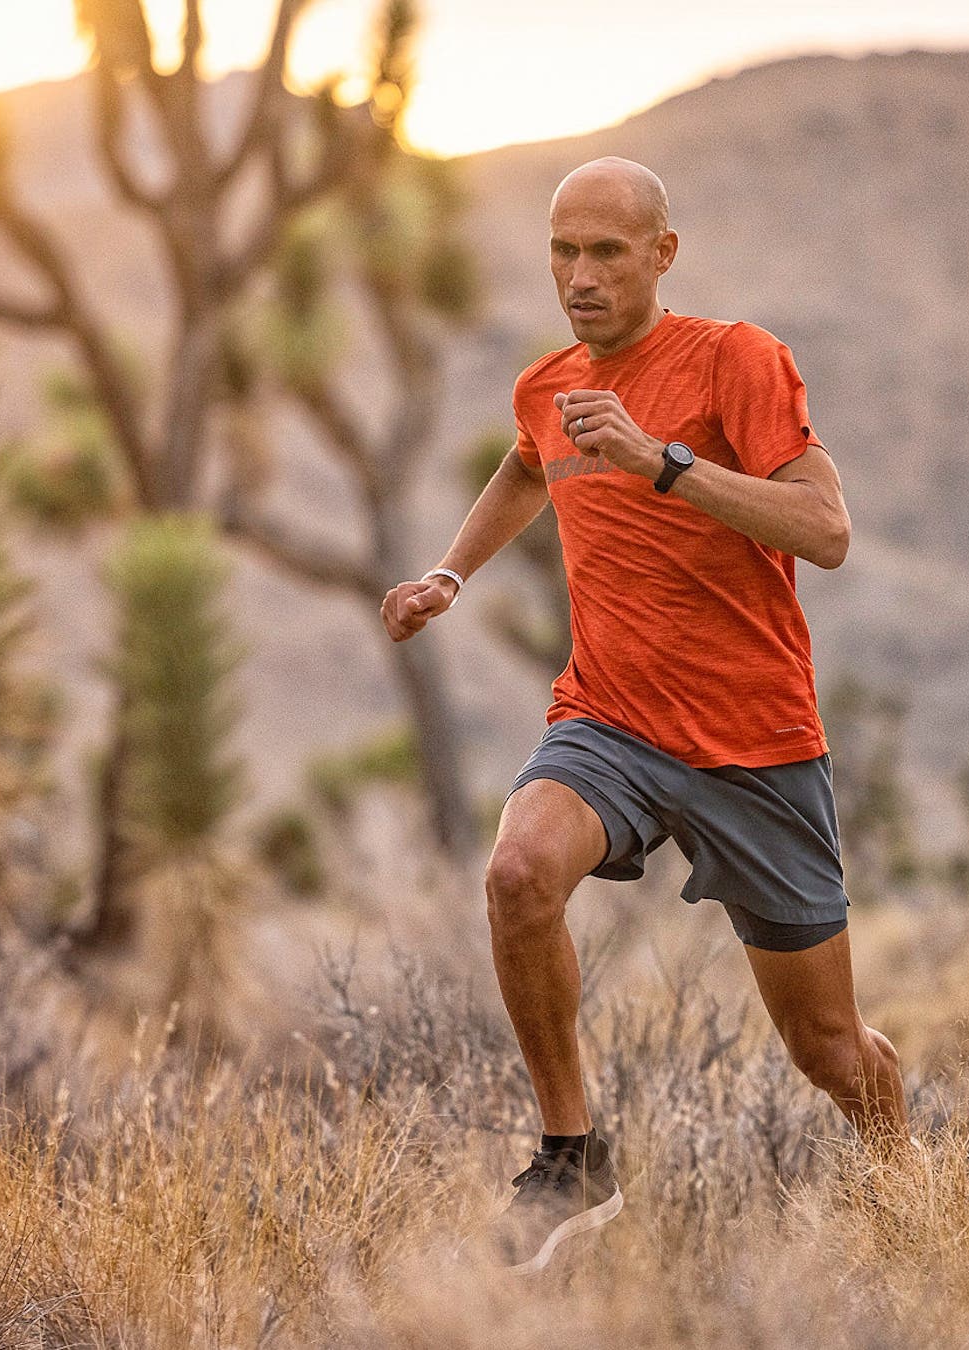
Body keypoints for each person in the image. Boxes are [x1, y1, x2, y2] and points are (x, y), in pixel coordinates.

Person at [380, 156, 905, 1274]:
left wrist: (664, 463)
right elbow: (528, 466)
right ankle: (571, 1156)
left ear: (662, 255)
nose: (580, 276)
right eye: (563, 251)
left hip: (754, 746)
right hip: (610, 723)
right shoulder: (548, 387)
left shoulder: (734, 360)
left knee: (828, 1049)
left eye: (607, 252)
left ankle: (908, 1194)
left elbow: (825, 530)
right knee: (519, 874)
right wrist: (450, 575)